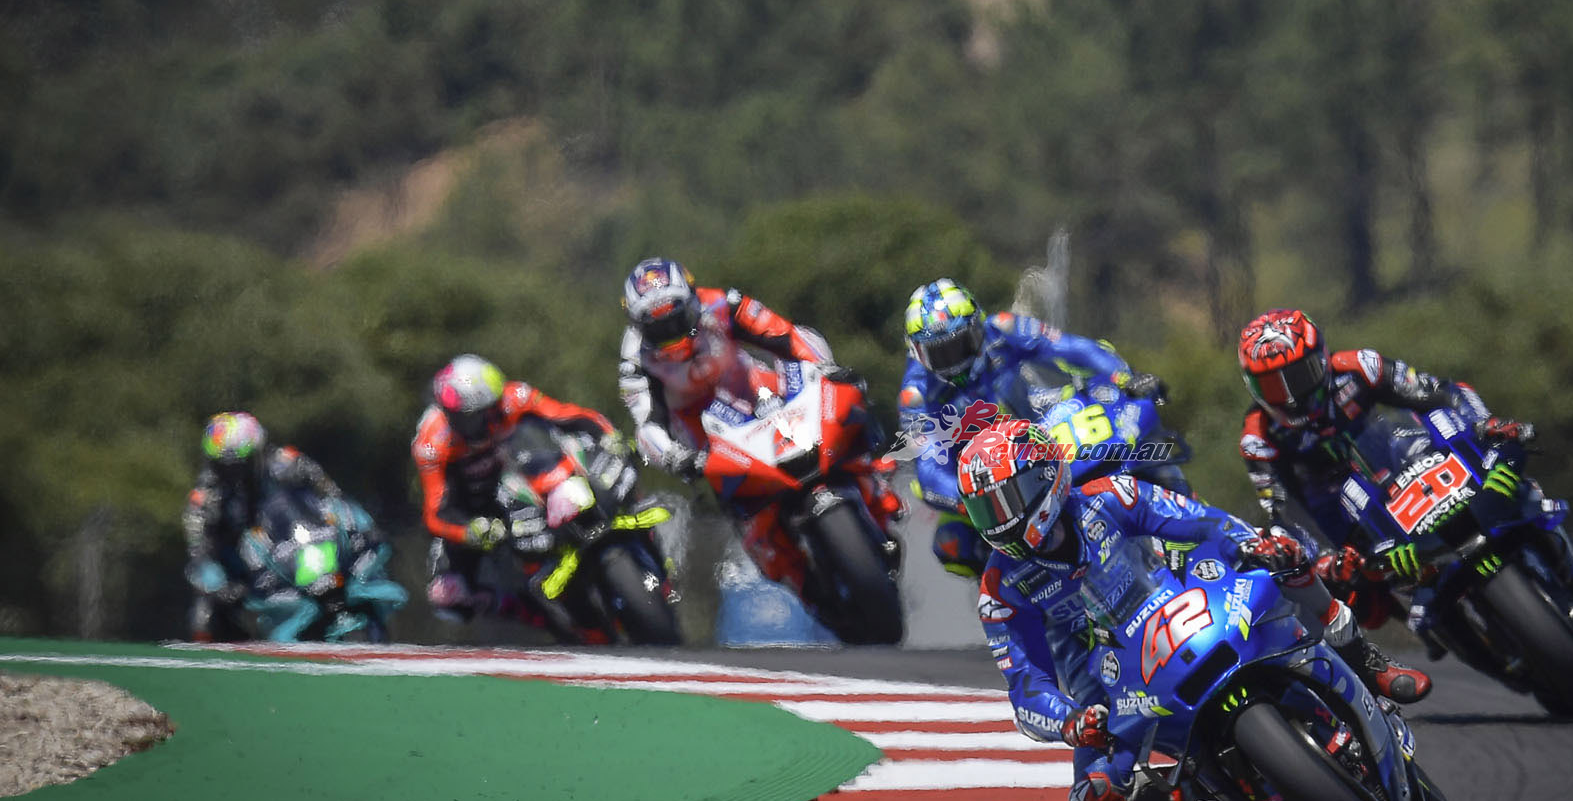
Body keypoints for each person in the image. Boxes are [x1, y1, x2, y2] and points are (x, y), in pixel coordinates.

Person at [959, 419, 1431, 801]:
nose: (999, 521)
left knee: (1284, 556)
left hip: (1182, 598)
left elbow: (1201, 521)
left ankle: (1363, 657)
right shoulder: (1000, 589)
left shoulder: (1112, 496)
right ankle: (1184, 785)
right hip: (1104, 679)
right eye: (985, 511)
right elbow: (1026, 689)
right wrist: (1070, 721)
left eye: (1006, 501)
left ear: (1045, 477)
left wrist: (1250, 543)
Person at [1235, 308, 1545, 641]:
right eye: (1272, 386)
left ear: (1321, 359)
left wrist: (1484, 423)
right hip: (1336, 506)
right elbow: (1284, 511)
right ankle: (1412, 619)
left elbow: (1439, 392)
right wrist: (1325, 558)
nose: (1290, 396)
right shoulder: (1257, 439)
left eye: (1299, 376)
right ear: (1252, 388)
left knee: (1484, 445)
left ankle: (1534, 515)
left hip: (1397, 454)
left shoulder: (1360, 366)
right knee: (1344, 589)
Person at [616, 257, 901, 583]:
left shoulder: (724, 303)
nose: (674, 335)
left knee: (837, 408)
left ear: (692, 301)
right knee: (733, 496)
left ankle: (873, 482)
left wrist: (824, 367)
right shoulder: (634, 360)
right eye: (659, 330)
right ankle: (786, 566)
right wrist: (674, 456)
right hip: (701, 424)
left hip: (752, 385)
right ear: (639, 327)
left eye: (678, 320)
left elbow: (786, 333)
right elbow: (647, 424)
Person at [899, 277, 1165, 580]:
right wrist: (970, 500)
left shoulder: (1003, 328)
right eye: (940, 354)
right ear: (916, 352)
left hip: (1044, 430)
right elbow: (929, 470)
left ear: (978, 326)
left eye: (961, 345)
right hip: (988, 480)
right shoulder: (916, 395)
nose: (954, 362)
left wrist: (1123, 377)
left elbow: (1071, 347)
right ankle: (1024, 595)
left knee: (1133, 437)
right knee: (954, 545)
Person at [411, 353, 624, 622]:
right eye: (452, 415)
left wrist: (608, 435)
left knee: (611, 473)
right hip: (475, 510)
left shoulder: (516, 397)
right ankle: (520, 610)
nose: (459, 425)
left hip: (531, 485)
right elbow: (434, 513)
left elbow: (569, 415)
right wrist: (468, 531)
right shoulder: (431, 443)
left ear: (492, 405)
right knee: (446, 595)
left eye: (468, 417)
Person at [181, 411, 348, 642]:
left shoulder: (288, 463)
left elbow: (333, 495)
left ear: (258, 453)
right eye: (223, 466)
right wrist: (220, 585)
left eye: (240, 465)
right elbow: (198, 552)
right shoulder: (205, 497)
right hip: (246, 575)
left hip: (299, 548)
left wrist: (344, 523)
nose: (233, 474)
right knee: (204, 615)